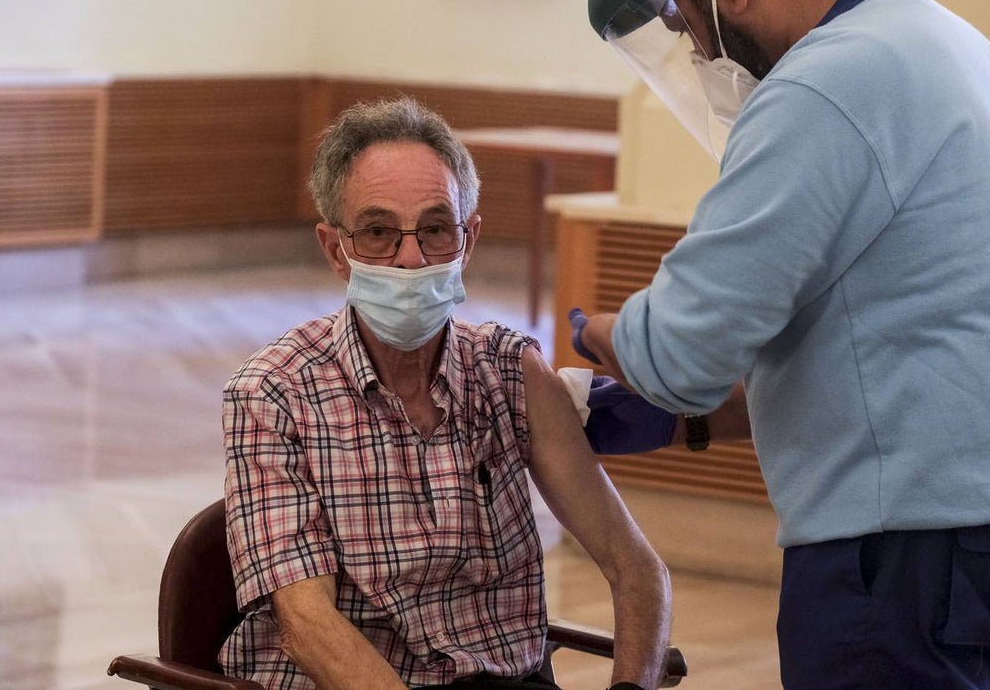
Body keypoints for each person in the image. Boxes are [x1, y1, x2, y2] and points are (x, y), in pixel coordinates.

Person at [574, 0, 990, 687]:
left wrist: (596, 332)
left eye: (684, 22)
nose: (695, 53)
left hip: (900, 562)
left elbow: (676, 356)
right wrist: (693, 423)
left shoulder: (821, 85)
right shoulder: (960, 47)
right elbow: (902, 332)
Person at [221, 98, 672, 690]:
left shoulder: (512, 374)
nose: (411, 257)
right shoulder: (274, 396)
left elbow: (636, 568)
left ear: (469, 238)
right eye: (379, 232)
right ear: (336, 250)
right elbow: (309, 628)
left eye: (436, 228)